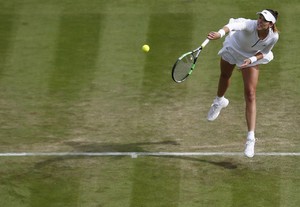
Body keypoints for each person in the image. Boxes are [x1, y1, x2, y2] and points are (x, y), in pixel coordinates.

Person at [206, 9, 279, 158]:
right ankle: (219, 101)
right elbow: (231, 27)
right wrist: (220, 33)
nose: (259, 21)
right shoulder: (249, 24)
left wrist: (251, 60)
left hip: (250, 56)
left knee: (251, 94)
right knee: (225, 75)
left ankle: (250, 139)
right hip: (234, 47)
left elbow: (264, 52)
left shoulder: (274, 37)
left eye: (264, 20)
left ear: (270, 24)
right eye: (259, 18)